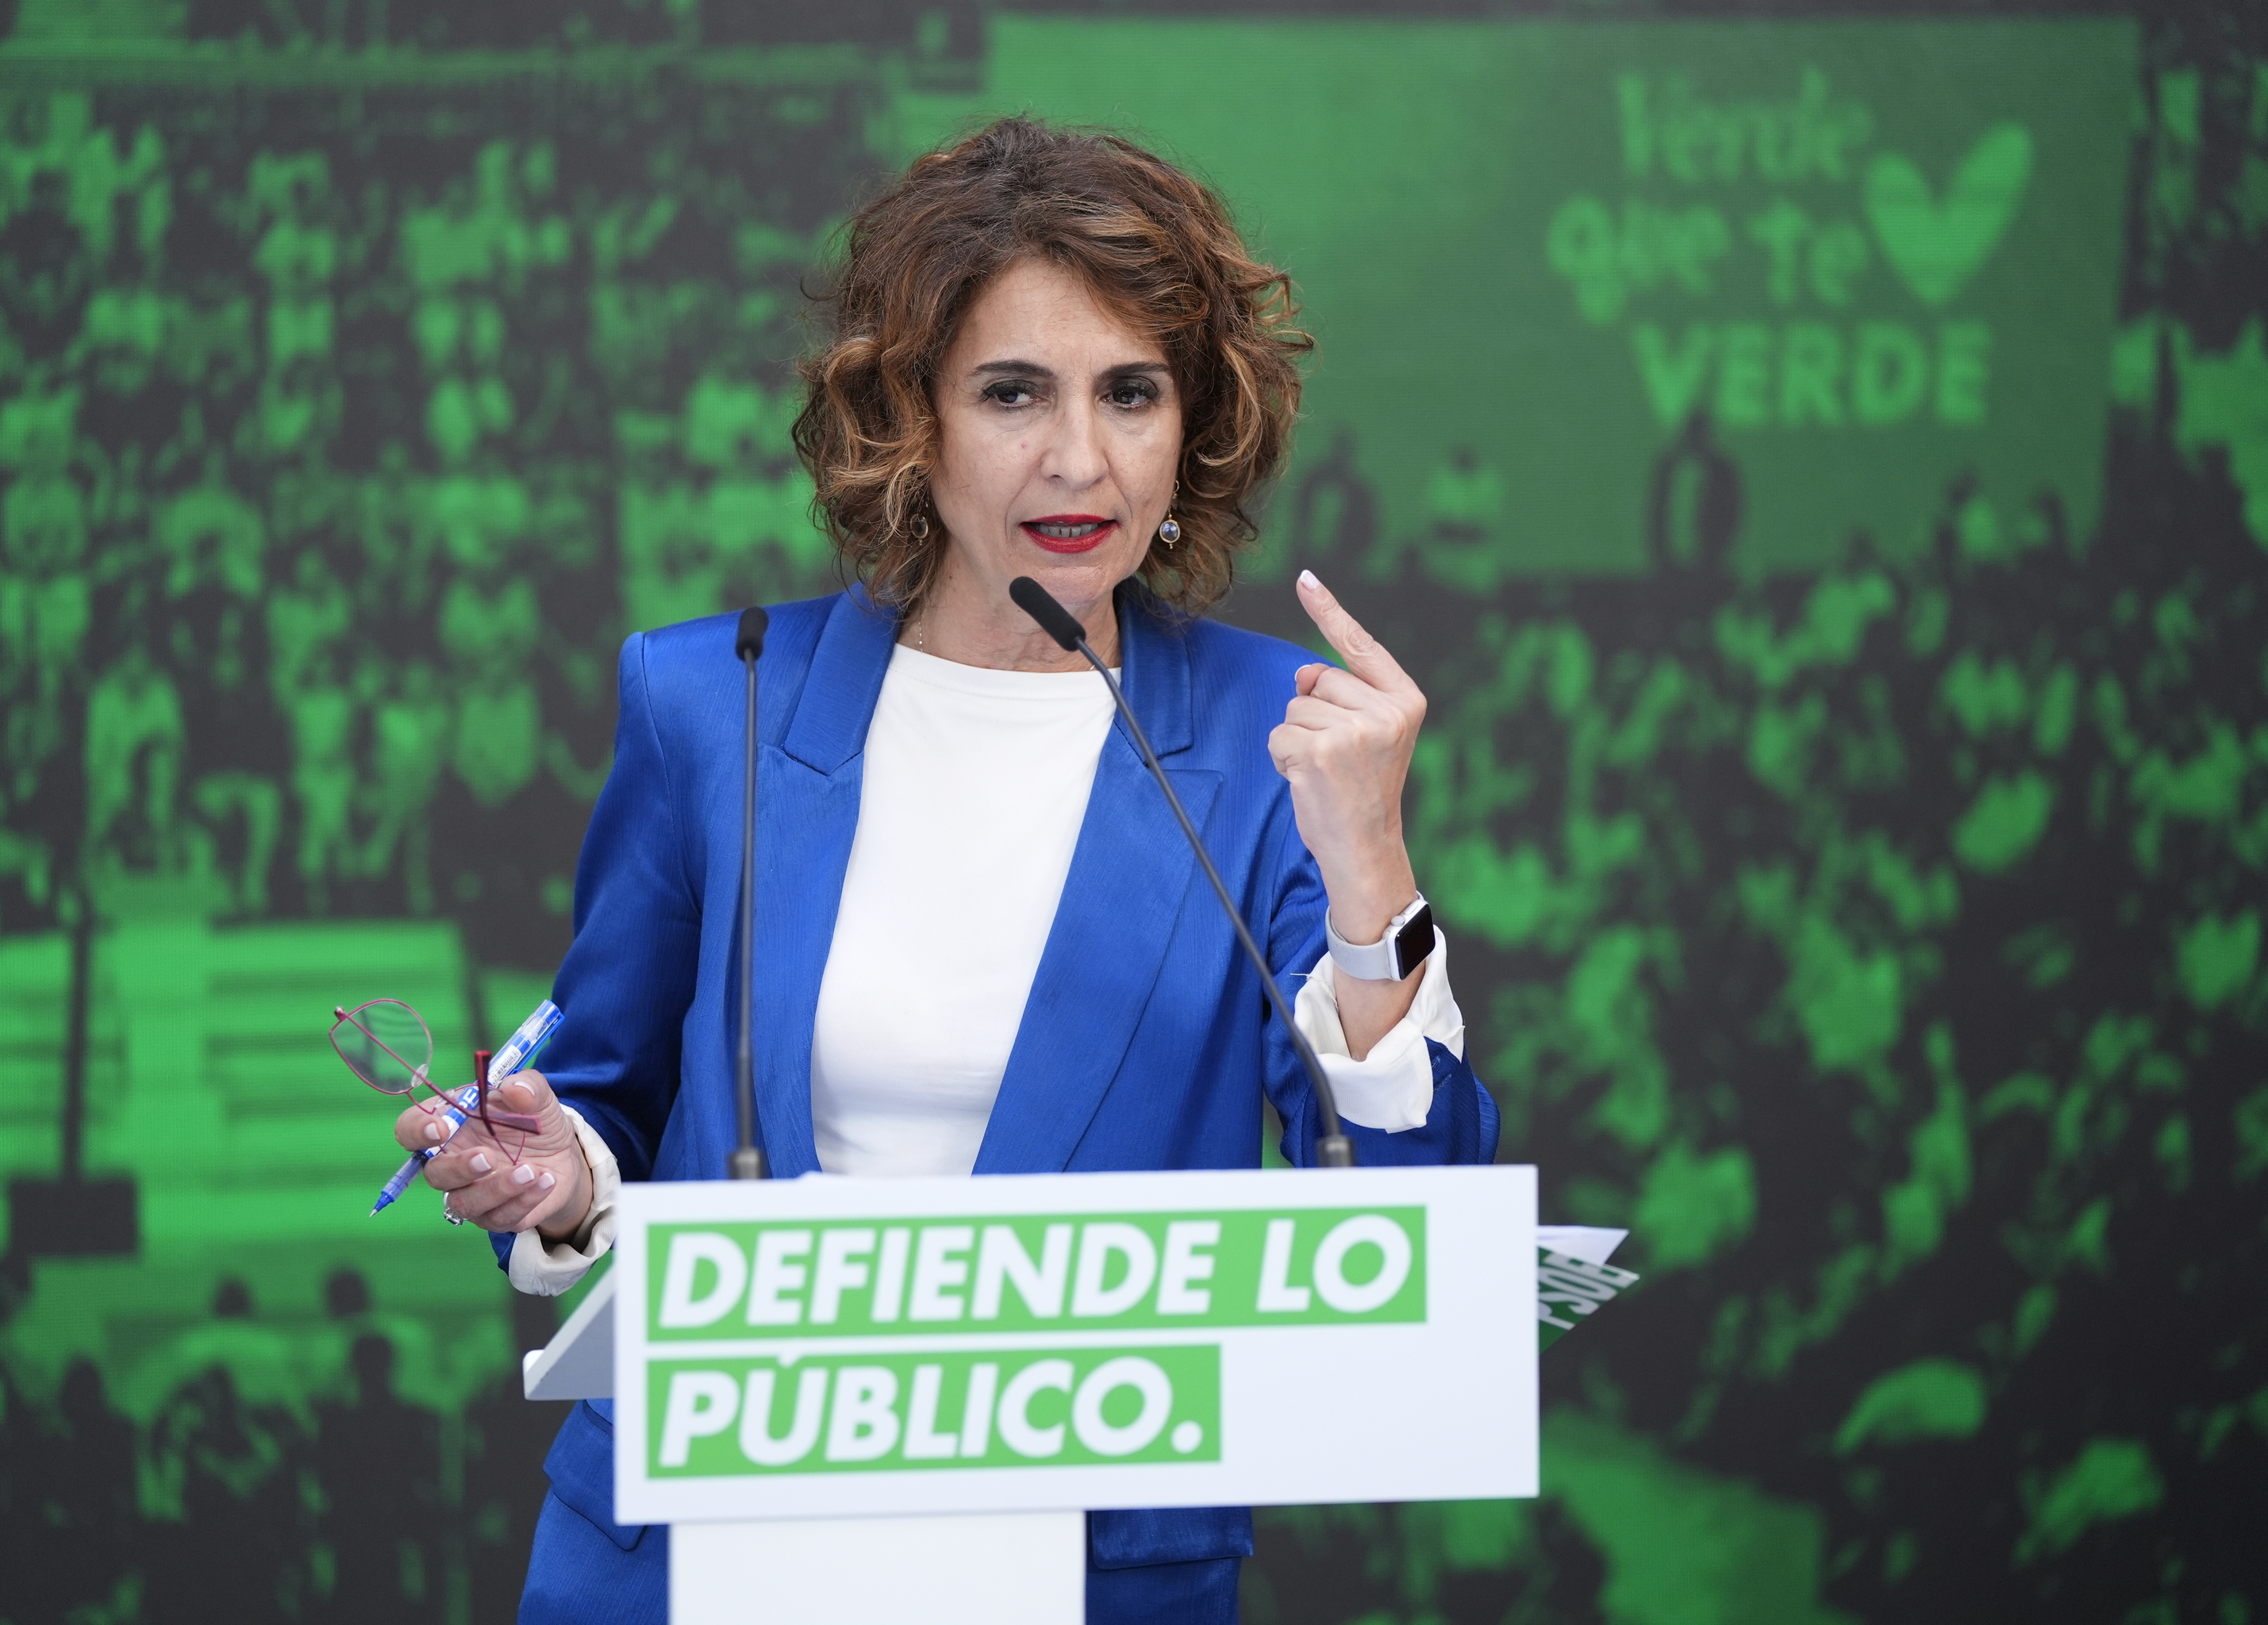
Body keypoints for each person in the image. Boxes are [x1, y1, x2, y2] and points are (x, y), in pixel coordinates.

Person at [398, 117, 1499, 1625]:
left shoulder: (1276, 733)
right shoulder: (712, 701)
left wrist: (1370, 863)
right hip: (705, 1546)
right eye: (1012, 392)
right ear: (910, 418)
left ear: (1195, 428)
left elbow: (1401, 1210)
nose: (1079, 458)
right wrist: (560, 1177)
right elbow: (606, 1101)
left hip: (1088, 1565)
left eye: (1131, 392)